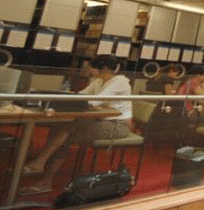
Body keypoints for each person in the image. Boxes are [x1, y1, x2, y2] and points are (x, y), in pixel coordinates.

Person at [19, 55, 132, 195]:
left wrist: (70, 100)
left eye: (92, 67)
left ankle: (42, 170)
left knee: (66, 133)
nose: (89, 70)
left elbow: (93, 102)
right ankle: (42, 168)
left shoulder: (120, 82)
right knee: (63, 128)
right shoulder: (98, 81)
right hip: (99, 120)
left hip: (117, 126)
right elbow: (81, 96)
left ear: (105, 69)